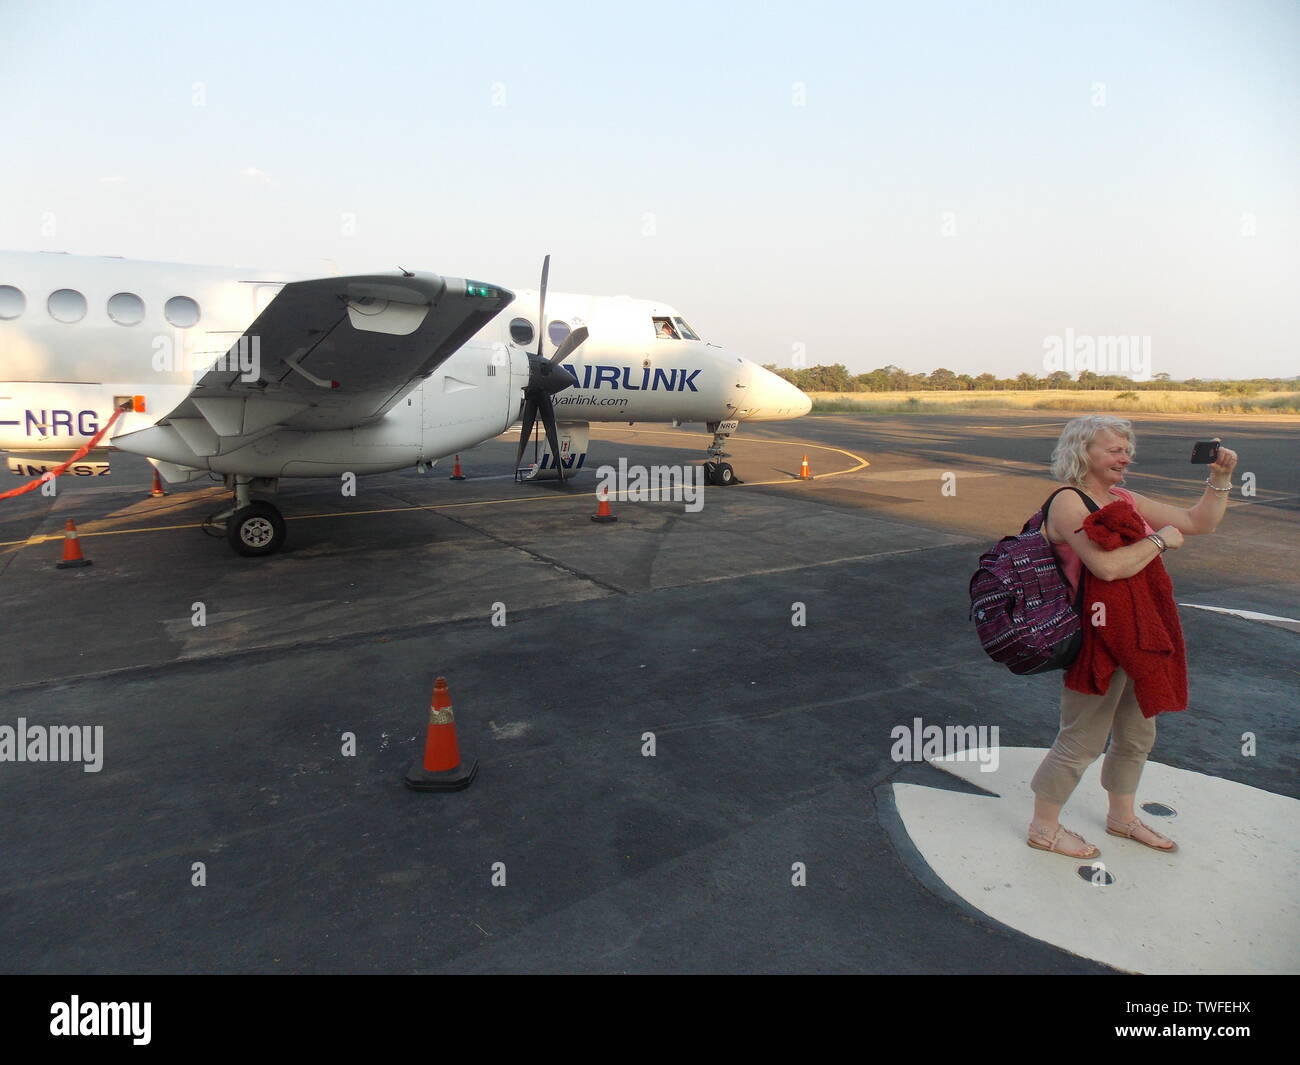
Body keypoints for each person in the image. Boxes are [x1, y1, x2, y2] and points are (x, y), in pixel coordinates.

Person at [1026, 415, 1238, 858]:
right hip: (1095, 637)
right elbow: (1106, 566)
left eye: (1128, 448)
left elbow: (1198, 522)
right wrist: (1159, 542)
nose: (1127, 457)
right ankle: (1043, 828)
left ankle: (1122, 817)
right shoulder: (1069, 501)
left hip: (1136, 635)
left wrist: (1219, 480)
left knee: (1137, 734)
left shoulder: (1122, 497)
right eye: (1115, 449)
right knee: (1081, 739)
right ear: (1084, 452)